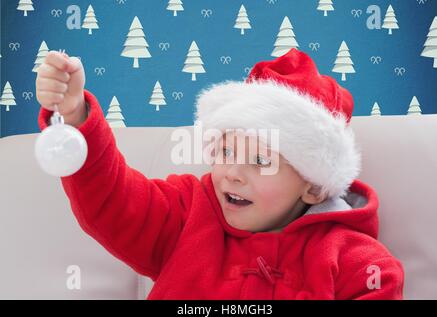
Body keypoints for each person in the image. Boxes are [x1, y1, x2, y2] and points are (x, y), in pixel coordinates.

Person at [35, 48, 404, 299]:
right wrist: (74, 116)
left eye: (260, 161)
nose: (232, 173)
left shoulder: (361, 265)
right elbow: (113, 199)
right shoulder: (185, 212)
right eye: (226, 152)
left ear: (313, 186)